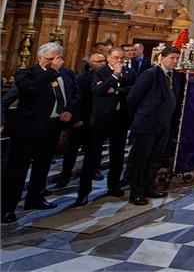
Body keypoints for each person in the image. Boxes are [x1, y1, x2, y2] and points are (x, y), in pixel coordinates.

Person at [2, 43, 75, 223]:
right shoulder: (26, 73)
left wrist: (70, 110)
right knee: (17, 169)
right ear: (39, 57)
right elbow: (30, 89)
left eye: (56, 59)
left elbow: (73, 94)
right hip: (27, 129)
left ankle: (35, 197)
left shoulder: (65, 74)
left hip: (52, 127)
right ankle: (7, 207)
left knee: (42, 166)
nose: (52, 63)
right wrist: (52, 71)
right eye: (49, 59)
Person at [75, 46, 136, 205]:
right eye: (116, 58)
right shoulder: (99, 72)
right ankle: (83, 191)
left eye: (122, 58)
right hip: (101, 119)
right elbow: (98, 90)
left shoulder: (129, 72)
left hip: (120, 119)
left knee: (117, 155)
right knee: (92, 155)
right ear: (109, 58)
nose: (120, 61)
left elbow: (133, 89)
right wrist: (115, 75)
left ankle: (113, 185)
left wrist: (116, 91)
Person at [125, 46, 182, 206]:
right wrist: (141, 116)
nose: (175, 62)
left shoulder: (175, 75)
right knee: (140, 159)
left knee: (155, 158)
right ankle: (136, 192)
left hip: (164, 124)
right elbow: (133, 98)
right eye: (172, 58)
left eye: (177, 59)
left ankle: (150, 187)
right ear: (161, 58)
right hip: (147, 123)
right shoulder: (150, 74)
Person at [56, 53, 106, 188]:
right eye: (98, 61)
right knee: (72, 149)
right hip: (81, 119)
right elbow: (77, 99)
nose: (101, 64)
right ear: (90, 63)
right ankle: (65, 173)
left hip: (97, 119)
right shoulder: (82, 78)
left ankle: (93, 170)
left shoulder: (107, 78)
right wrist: (76, 118)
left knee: (94, 149)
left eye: (103, 61)